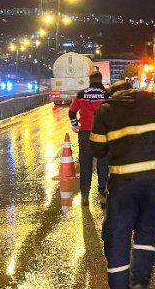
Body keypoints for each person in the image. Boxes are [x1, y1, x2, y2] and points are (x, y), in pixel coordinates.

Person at [90, 80, 155, 289]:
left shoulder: (106, 110)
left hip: (124, 183)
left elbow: (97, 150)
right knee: (146, 231)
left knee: (119, 236)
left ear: (113, 94)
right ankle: (140, 282)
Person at [69, 70, 109, 206]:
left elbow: (71, 111)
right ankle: (103, 193)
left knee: (85, 164)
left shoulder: (81, 94)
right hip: (103, 133)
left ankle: (85, 196)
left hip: (85, 133)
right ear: (101, 79)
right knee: (103, 163)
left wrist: (75, 126)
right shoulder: (106, 94)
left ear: (90, 80)